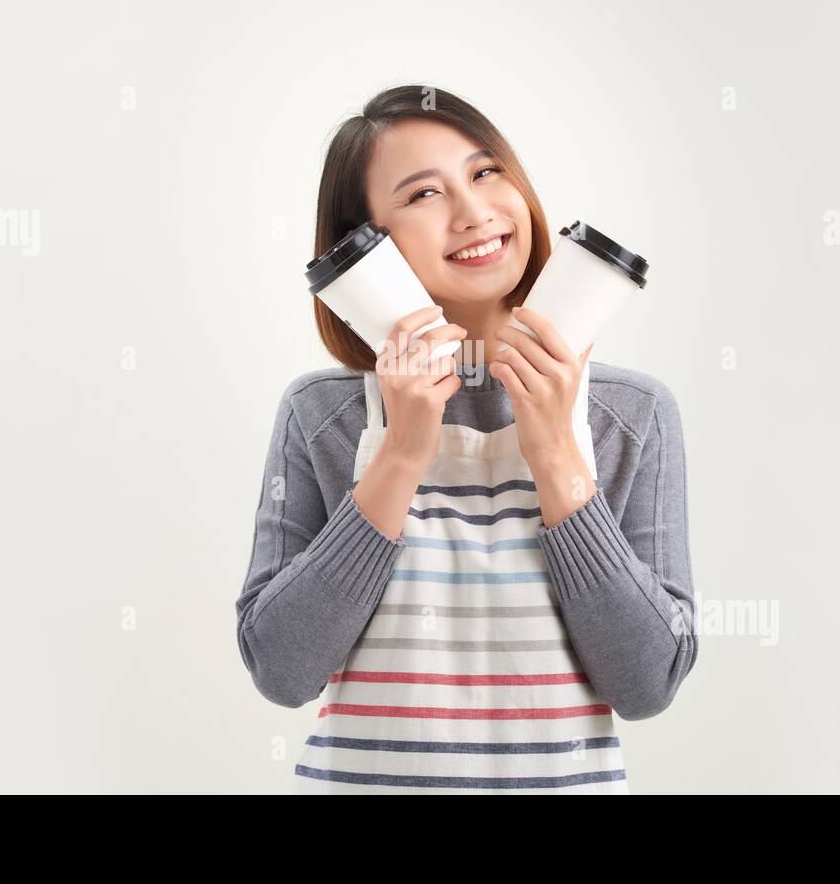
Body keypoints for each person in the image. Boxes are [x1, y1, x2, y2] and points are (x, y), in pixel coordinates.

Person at [235, 84, 698, 793]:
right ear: (363, 248)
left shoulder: (632, 413)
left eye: (486, 172)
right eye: (424, 193)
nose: (475, 211)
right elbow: (280, 670)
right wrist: (399, 454)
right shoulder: (321, 414)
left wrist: (557, 456)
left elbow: (647, 682)